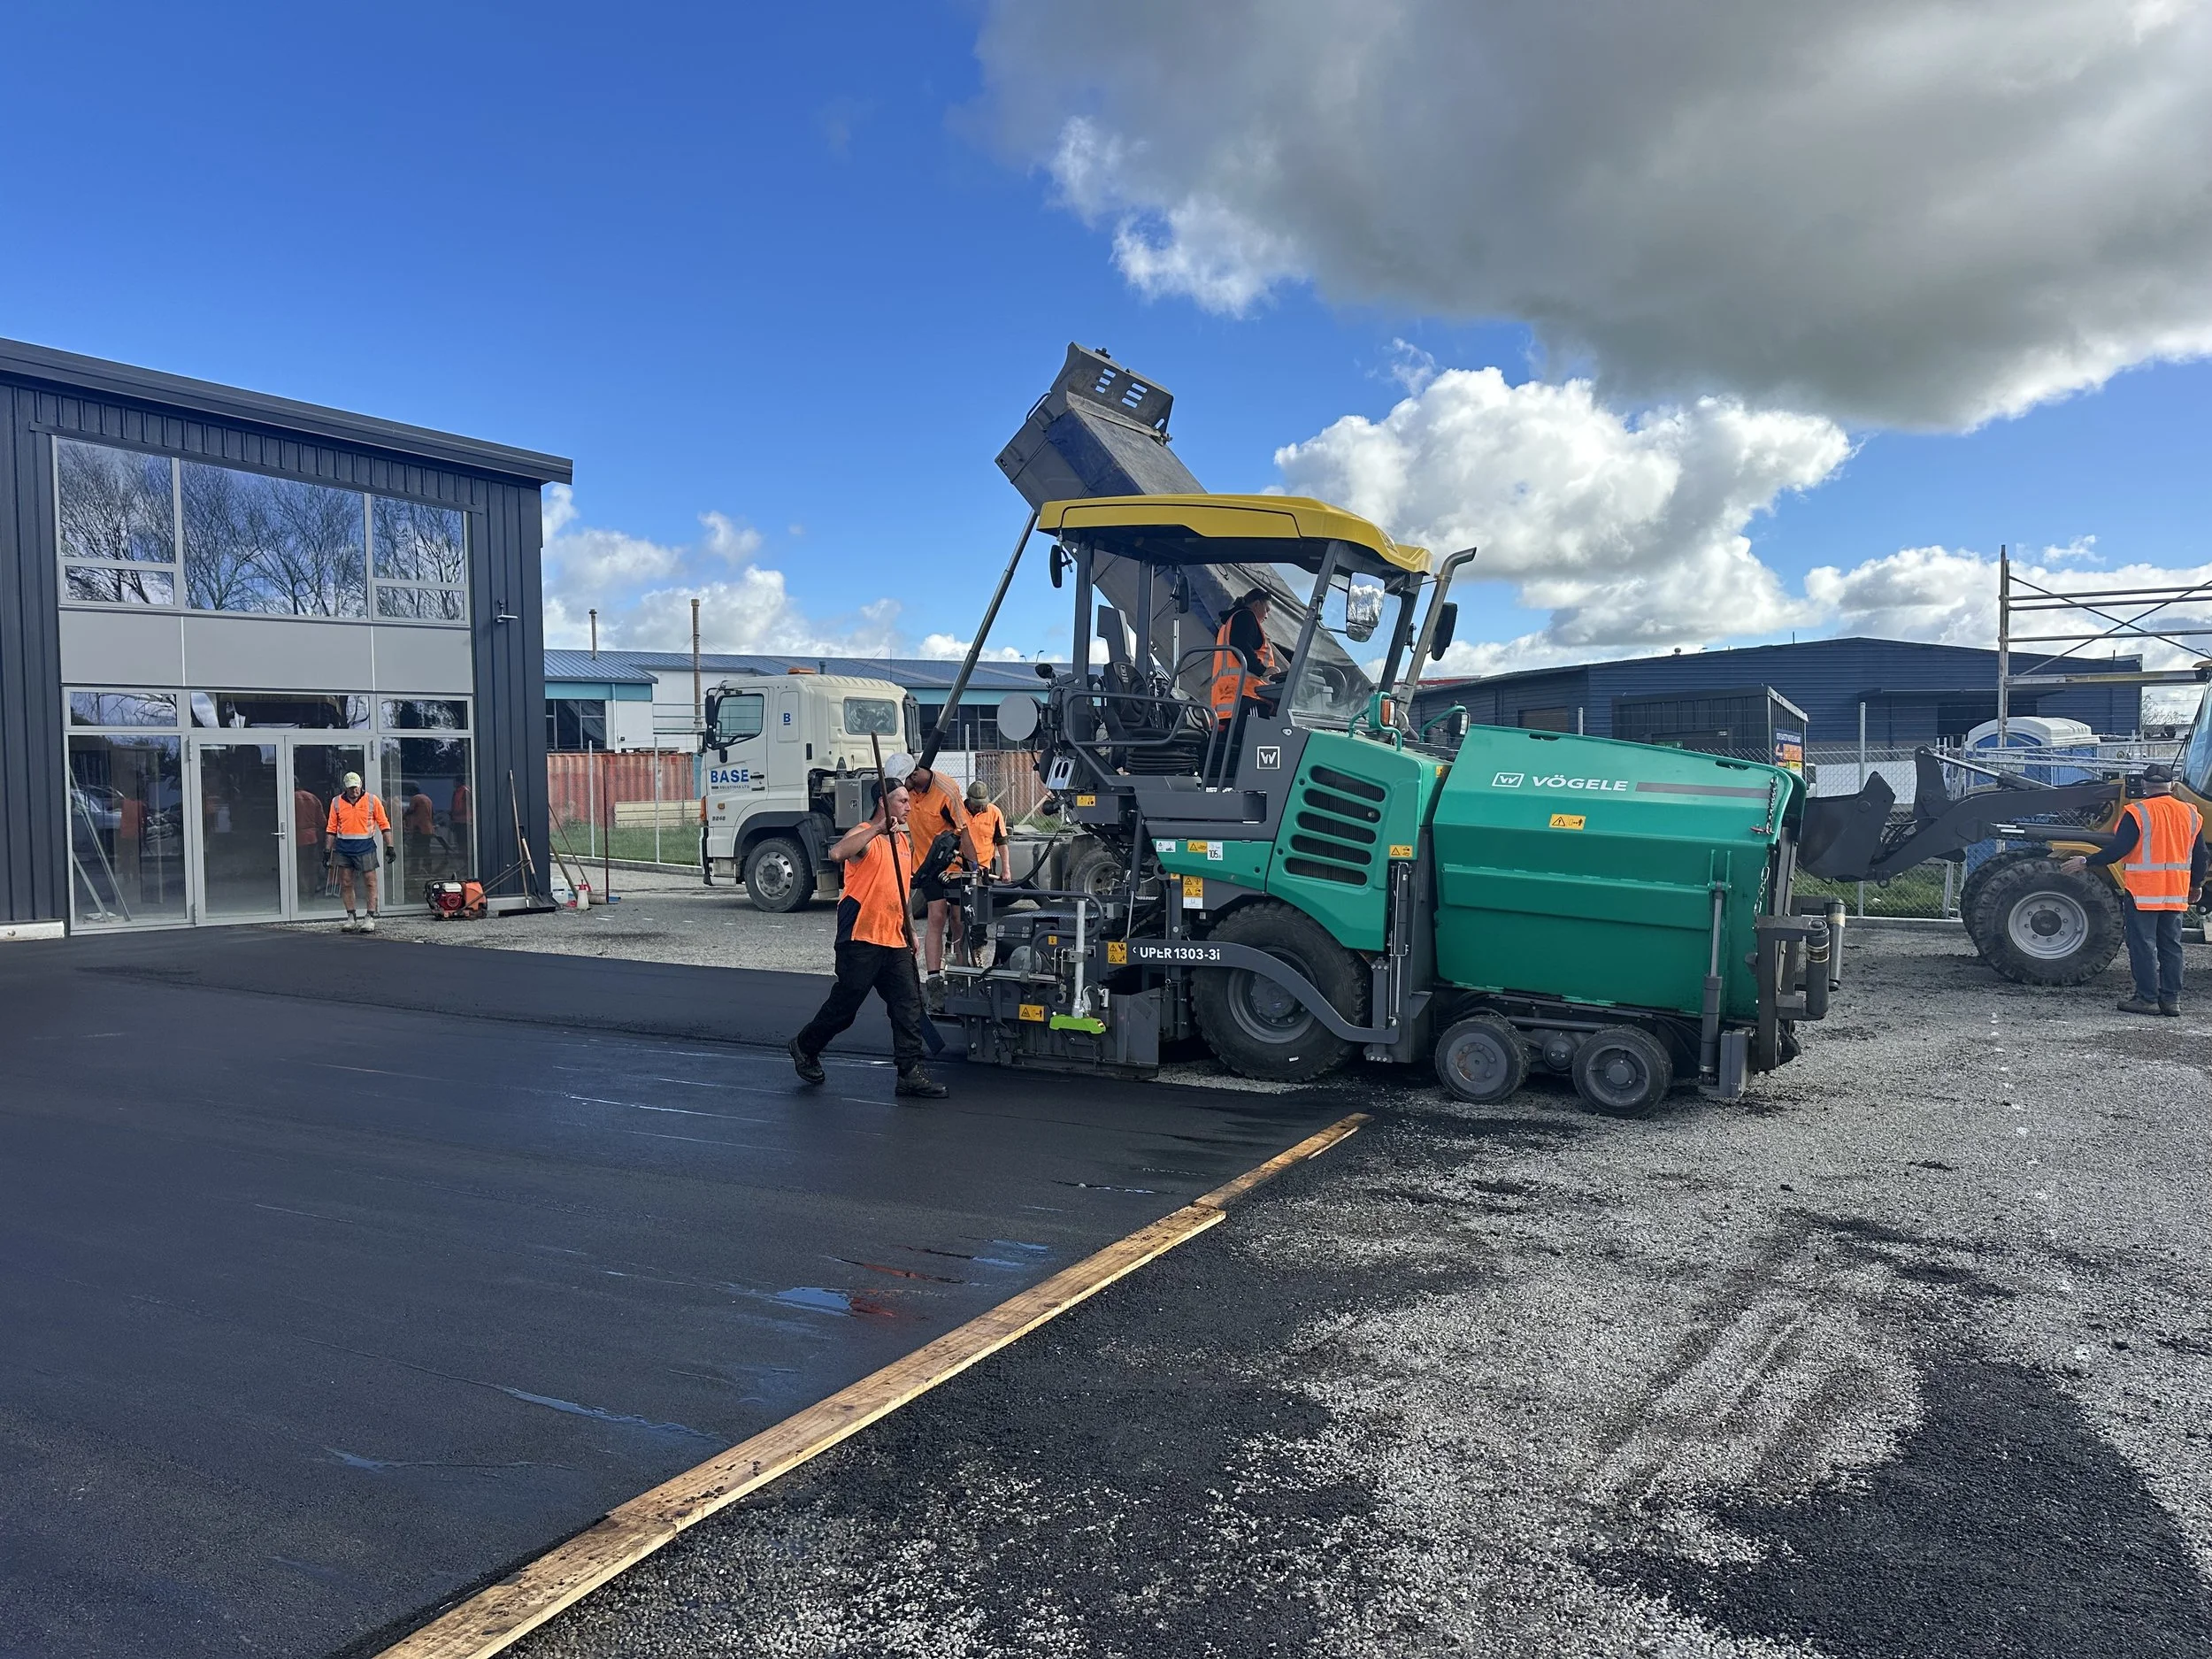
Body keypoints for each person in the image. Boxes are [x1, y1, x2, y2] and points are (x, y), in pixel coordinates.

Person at [788, 780, 948, 1098]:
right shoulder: (864, 834)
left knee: (908, 1004)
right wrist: (877, 829)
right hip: (861, 936)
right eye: (901, 801)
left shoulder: (903, 843)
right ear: (883, 804)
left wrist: (910, 929)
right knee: (845, 1007)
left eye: (908, 801)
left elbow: (900, 889)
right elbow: (836, 853)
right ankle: (805, 1046)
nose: (908, 806)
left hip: (894, 938)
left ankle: (909, 1072)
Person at [2061, 764, 2207, 1016]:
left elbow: (2119, 849)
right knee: (2171, 946)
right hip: (2175, 893)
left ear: (2145, 786)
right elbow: (2201, 856)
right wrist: (2196, 885)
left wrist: (2087, 861)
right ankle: (2171, 1001)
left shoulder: (2137, 812)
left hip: (2143, 894)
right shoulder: (2192, 813)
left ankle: (2146, 998)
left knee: (2144, 945)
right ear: (2172, 785)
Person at [901, 765, 985, 1002]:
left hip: (954, 866)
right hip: (927, 866)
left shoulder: (947, 790)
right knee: (936, 916)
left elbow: (964, 831)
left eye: (903, 782)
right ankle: (935, 980)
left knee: (958, 920)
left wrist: (974, 869)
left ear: (914, 775)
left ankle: (960, 973)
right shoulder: (910, 793)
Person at [326, 772, 394, 933]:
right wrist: (327, 850)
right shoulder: (336, 802)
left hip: (365, 846)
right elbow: (331, 828)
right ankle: (351, 916)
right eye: (351, 788)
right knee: (346, 882)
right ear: (346, 787)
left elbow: (384, 824)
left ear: (361, 785)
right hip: (344, 848)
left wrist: (390, 846)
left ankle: (370, 917)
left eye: (356, 787)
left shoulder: (372, 800)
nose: (354, 791)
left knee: (370, 882)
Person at [1210, 586, 1284, 726]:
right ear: (1257, 604)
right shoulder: (1246, 617)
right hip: (1247, 696)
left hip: (1229, 696)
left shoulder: (1228, 625)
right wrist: (1262, 670)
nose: (1267, 616)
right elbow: (1241, 644)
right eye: (1267, 610)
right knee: (1256, 742)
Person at [963, 780, 1010, 880]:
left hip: (985, 869)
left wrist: (1006, 869)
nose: (979, 808)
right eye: (976, 805)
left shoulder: (994, 812)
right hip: (960, 869)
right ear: (969, 799)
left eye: (982, 804)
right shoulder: (958, 811)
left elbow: (1002, 842)